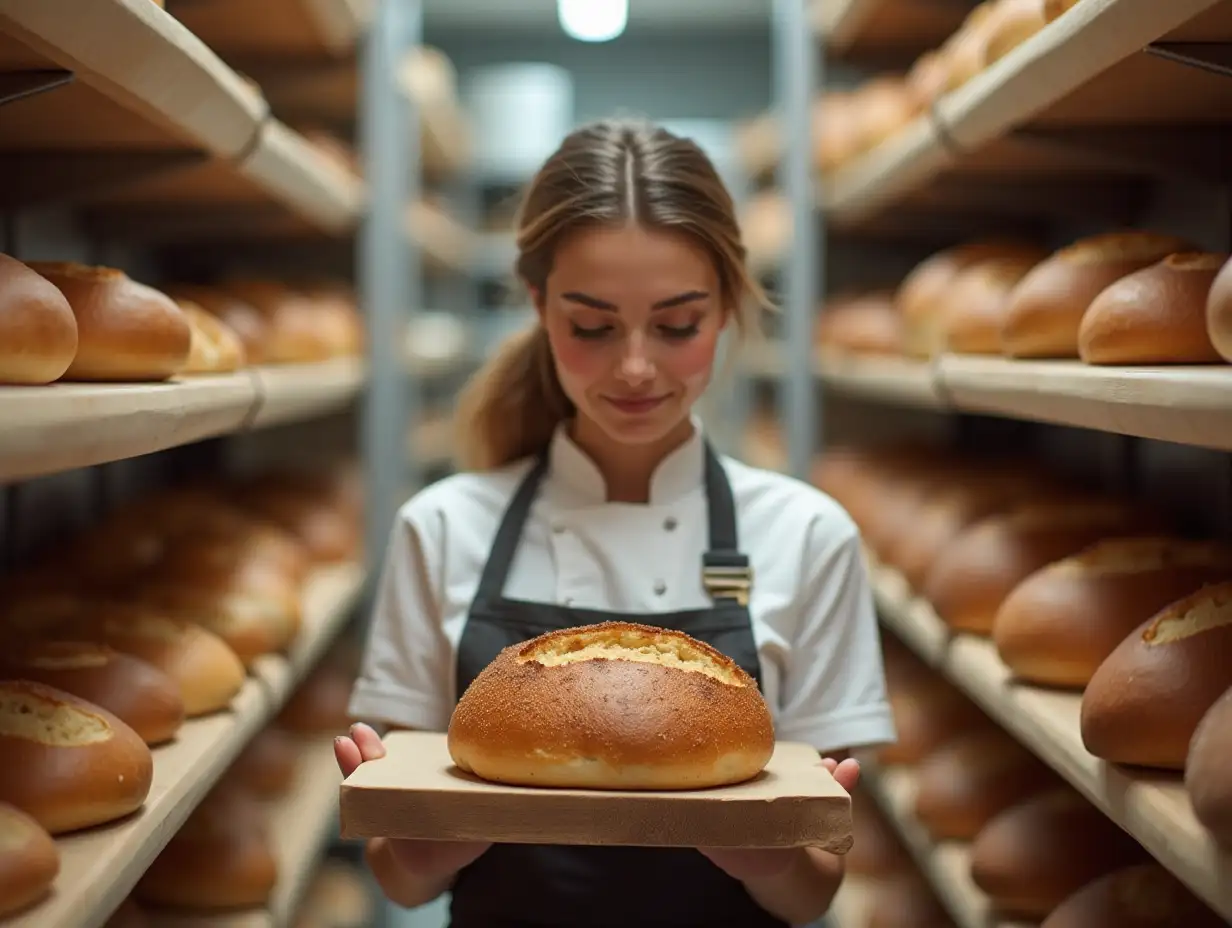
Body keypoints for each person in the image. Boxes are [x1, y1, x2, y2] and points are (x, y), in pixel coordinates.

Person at [335, 118, 896, 927]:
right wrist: (424, 847)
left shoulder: (808, 535)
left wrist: (770, 857)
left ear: (730, 306)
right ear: (538, 305)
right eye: (592, 326)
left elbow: (816, 893)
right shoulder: (442, 526)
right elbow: (402, 881)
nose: (636, 366)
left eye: (678, 325)